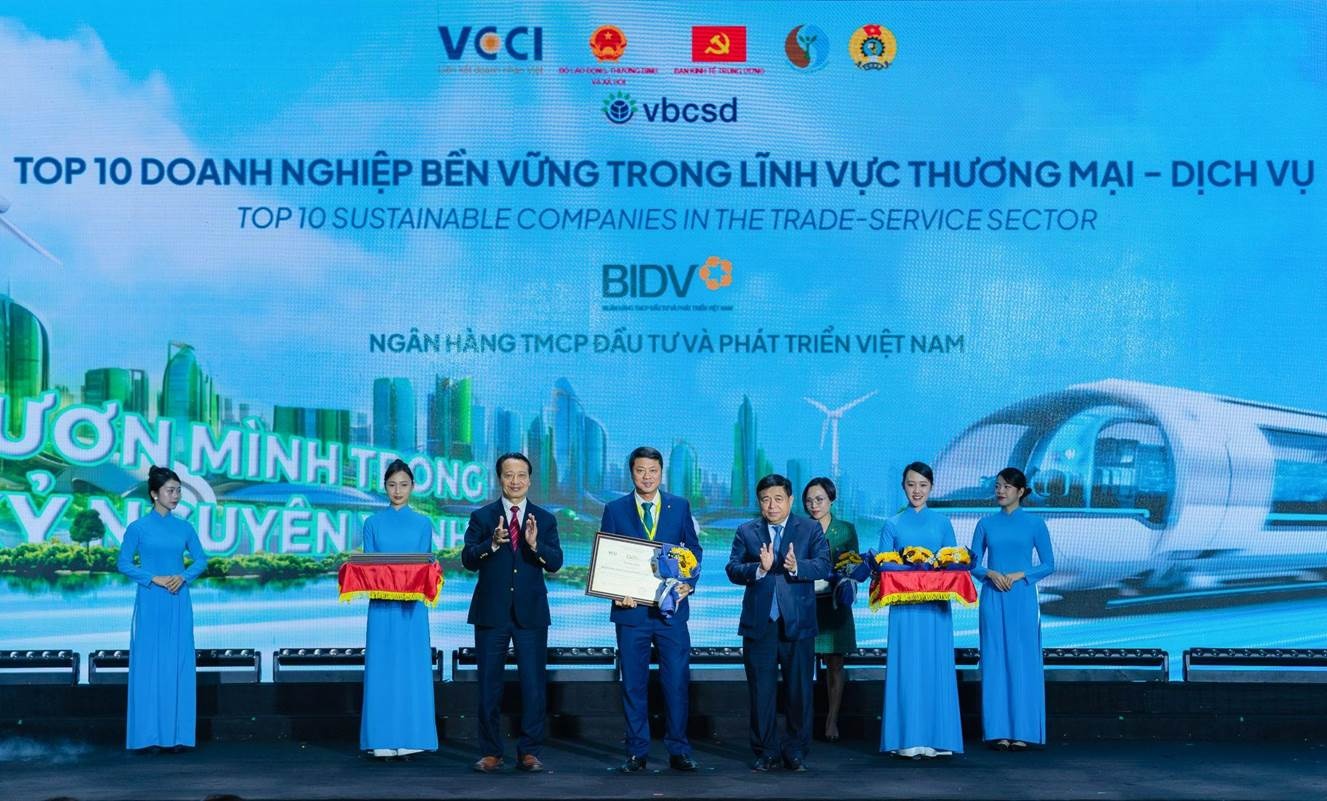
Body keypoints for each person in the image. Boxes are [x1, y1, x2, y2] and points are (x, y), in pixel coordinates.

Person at [601, 446, 702, 773]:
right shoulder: (614, 509)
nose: (647, 477)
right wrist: (615, 591)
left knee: (676, 682)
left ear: (661, 473)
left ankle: (679, 749)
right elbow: (608, 558)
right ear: (631, 472)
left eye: (653, 471)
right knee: (633, 684)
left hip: (672, 612)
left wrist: (689, 583)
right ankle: (636, 751)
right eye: (640, 470)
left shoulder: (679, 506)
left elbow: (693, 550)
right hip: (631, 613)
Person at [461, 452, 563, 773]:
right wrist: (490, 545)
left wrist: (534, 545)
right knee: (488, 686)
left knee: (533, 686)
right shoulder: (482, 517)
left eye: (521, 475)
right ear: (499, 479)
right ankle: (491, 752)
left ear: (530, 480)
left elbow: (556, 562)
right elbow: (467, 559)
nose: (515, 481)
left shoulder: (545, 519)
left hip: (530, 613)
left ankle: (529, 751)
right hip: (491, 613)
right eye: (508, 475)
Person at [726, 474, 830, 772]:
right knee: (761, 692)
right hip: (760, 624)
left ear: (790, 500)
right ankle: (766, 751)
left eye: (778, 499)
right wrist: (759, 569)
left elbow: (824, 565)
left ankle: (796, 750)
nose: (771, 506)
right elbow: (732, 569)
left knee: (800, 692)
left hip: (797, 623)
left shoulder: (809, 528)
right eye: (765, 500)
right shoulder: (746, 531)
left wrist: (797, 566)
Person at [116, 465, 209, 751]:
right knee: (149, 665)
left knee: (177, 663)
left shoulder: (184, 527)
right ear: (154, 494)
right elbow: (123, 563)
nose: (176, 495)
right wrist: (152, 578)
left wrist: (184, 577)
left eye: (178, 490)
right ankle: (148, 737)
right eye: (170, 490)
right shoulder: (138, 528)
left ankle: (177, 736)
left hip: (178, 599)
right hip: (150, 600)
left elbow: (201, 560)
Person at [878, 461, 963, 758]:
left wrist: (934, 567)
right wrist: (912, 567)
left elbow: (954, 561)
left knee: (935, 666)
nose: (917, 490)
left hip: (935, 609)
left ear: (931, 487)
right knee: (906, 667)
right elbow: (883, 565)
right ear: (903, 486)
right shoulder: (892, 524)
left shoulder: (942, 523)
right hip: (904, 609)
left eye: (923, 485)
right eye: (911, 484)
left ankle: (936, 738)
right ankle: (905, 738)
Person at [970, 467, 1055, 751]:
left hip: (1022, 597)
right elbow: (972, 563)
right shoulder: (985, 524)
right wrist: (990, 573)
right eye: (997, 486)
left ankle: (1023, 731)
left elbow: (1048, 564)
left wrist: (1021, 574)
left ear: (1020, 491)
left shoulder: (1035, 524)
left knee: (1023, 661)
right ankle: (998, 731)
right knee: (994, 660)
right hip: (993, 597)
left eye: (1006, 486)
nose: (1000, 491)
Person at [359, 459, 439, 759]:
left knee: (412, 668)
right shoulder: (372, 523)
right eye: (392, 485)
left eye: (404, 485)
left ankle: (413, 736)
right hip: (381, 606)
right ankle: (380, 738)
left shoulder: (423, 523)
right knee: (381, 668)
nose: (398, 490)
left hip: (413, 607)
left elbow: (426, 564)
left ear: (413, 487)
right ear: (385, 487)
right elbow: (369, 566)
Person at [802, 477, 859, 742]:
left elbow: (854, 565)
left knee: (835, 663)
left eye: (820, 499)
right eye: (809, 501)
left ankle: (831, 720)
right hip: (805, 605)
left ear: (831, 500)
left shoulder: (846, 530)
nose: (814, 505)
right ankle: (803, 721)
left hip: (835, 605)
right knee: (802, 664)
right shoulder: (799, 528)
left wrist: (844, 575)